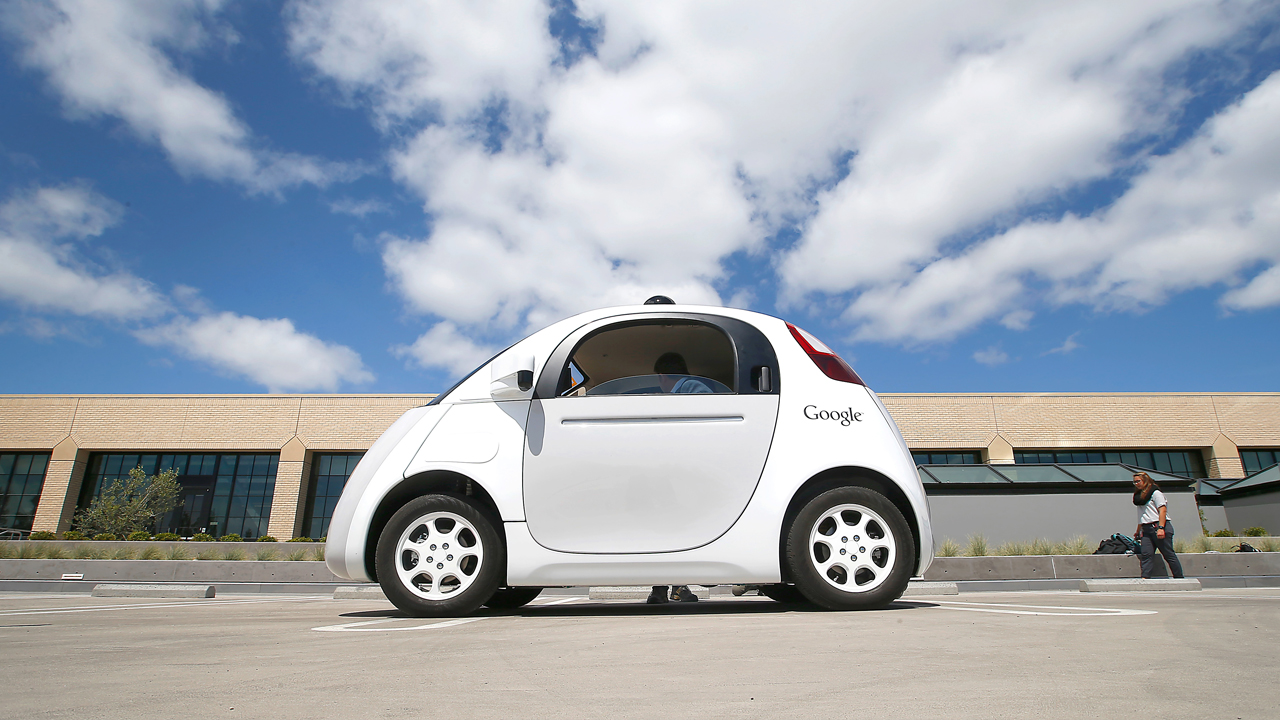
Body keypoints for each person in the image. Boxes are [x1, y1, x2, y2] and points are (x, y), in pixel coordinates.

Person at [647, 352, 705, 604]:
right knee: (673, 527)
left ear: (661, 376)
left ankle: (663, 588)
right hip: (676, 471)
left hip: (677, 471)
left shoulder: (690, 388)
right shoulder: (687, 390)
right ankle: (671, 587)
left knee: (667, 527)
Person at [1132, 471, 1185, 579]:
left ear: (1145, 481)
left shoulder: (1155, 493)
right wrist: (1138, 530)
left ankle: (1179, 577)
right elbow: (1142, 515)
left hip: (1158, 526)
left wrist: (1161, 528)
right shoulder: (1139, 497)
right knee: (1146, 554)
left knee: (1168, 554)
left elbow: (1162, 510)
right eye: (1134, 482)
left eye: (1138, 481)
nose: (1136, 484)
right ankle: (1145, 577)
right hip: (1146, 528)